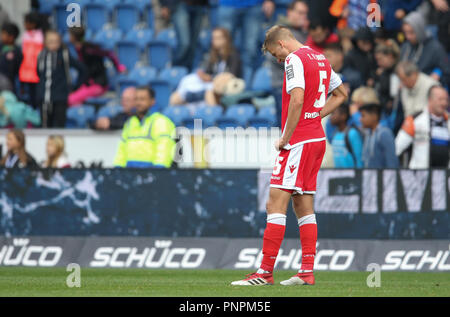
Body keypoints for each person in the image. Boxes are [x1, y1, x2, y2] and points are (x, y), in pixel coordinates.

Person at [231, 25, 347, 286]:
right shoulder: (320, 58)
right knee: (303, 205)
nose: (278, 60)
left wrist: (286, 137)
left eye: (276, 54)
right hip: (316, 139)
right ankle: (306, 271)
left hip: (299, 141)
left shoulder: (294, 59)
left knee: (275, 203)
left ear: (282, 44)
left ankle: (264, 273)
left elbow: (296, 99)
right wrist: (315, 116)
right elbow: (341, 95)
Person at [170, 27, 242, 106]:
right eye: (213, 38)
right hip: (209, 85)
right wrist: (203, 76)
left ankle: (212, 115)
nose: (214, 41)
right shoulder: (213, 55)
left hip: (225, 88)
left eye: (218, 38)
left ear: (225, 39)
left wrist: (211, 78)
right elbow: (208, 72)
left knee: (208, 93)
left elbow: (231, 75)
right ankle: (184, 116)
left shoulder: (233, 55)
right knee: (176, 97)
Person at [268, 0, 310, 127]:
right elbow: (274, 56)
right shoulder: (279, 31)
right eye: (300, 13)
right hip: (283, 85)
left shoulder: (304, 32)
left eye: (305, 14)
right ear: (289, 12)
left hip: (299, 86)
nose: (303, 17)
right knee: (287, 127)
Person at [114, 86, 176, 168]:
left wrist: (159, 172)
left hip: (152, 174)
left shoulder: (161, 122)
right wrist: (118, 169)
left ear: (152, 101)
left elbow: (164, 150)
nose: (138, 102)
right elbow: (121, 152)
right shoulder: (130, 123)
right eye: (136, 99)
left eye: (142, 99)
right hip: (129, 174)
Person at [36, 30, 87, 128]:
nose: (53, 44)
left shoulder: (64, 55)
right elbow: (38, 72)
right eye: (50, 41)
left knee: (59, 125)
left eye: (56, 41)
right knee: (45, 125)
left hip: (60, 97)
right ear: (45, 43)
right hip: (43, 97)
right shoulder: (41, 55)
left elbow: (82, 69)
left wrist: (75, 87)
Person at [68, 26, 126, 106]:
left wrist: (119, 67)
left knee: (70, 100)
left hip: (98, 85)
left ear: (73, 37)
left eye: (69, 35)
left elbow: (110, 54)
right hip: (87, 85)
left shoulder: (90, 49)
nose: (68, 37)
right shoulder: (78, 49)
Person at [396, 85, 449, 168]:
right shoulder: (415, 120)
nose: (444, 103)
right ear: (430, 100)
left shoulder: (448, 121)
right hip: (421, 177)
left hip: (445, 178)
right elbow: (397, 148)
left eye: (446, 99)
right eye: (440, 99)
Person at [217, 0, 274, 70]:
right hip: (227, 4)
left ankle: (247, 80)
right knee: (222, 46)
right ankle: (220, 77)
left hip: (254, 5)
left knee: (250, 51)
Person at [400, 11, 450, 86]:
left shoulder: (435, 48)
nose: (408, 37)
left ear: (419, 30)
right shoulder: (406, 46)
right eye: (406, 32)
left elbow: (447, 71)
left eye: (411, 32)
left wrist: (439, 77)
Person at [160, 0, 208, 71]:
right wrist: (164, 4)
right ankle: (174, 70)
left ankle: (186, 72)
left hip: (198, 5)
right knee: (184, 43)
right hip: (179, 4)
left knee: (193, 46)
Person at [360, 103, 399, 168]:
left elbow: (391, 162)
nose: (360, 119)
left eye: (363, 116)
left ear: (374, 116)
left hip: (383, 177)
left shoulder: (384, 133)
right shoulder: (368, 134)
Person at [19, 12, 44, 110]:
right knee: (29, 96)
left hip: (37, 71)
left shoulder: (40, 36)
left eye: (26, 22)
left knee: (37, 96)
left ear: (33, 24)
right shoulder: (25, 35)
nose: (24, 25)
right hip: (26, 71)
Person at [329, 103, 363, 168]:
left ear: (343, 116)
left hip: (352, 176)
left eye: (333, 113)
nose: (331, 117)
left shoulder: (352, 133)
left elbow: (359, 159)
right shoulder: (335, 134)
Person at [0, 22, 23, 94]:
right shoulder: (1, 47)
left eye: (4, 34)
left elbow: (17, 68)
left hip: (9, 81)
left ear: (11, 37)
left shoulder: (16, 51)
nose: (1, 36)